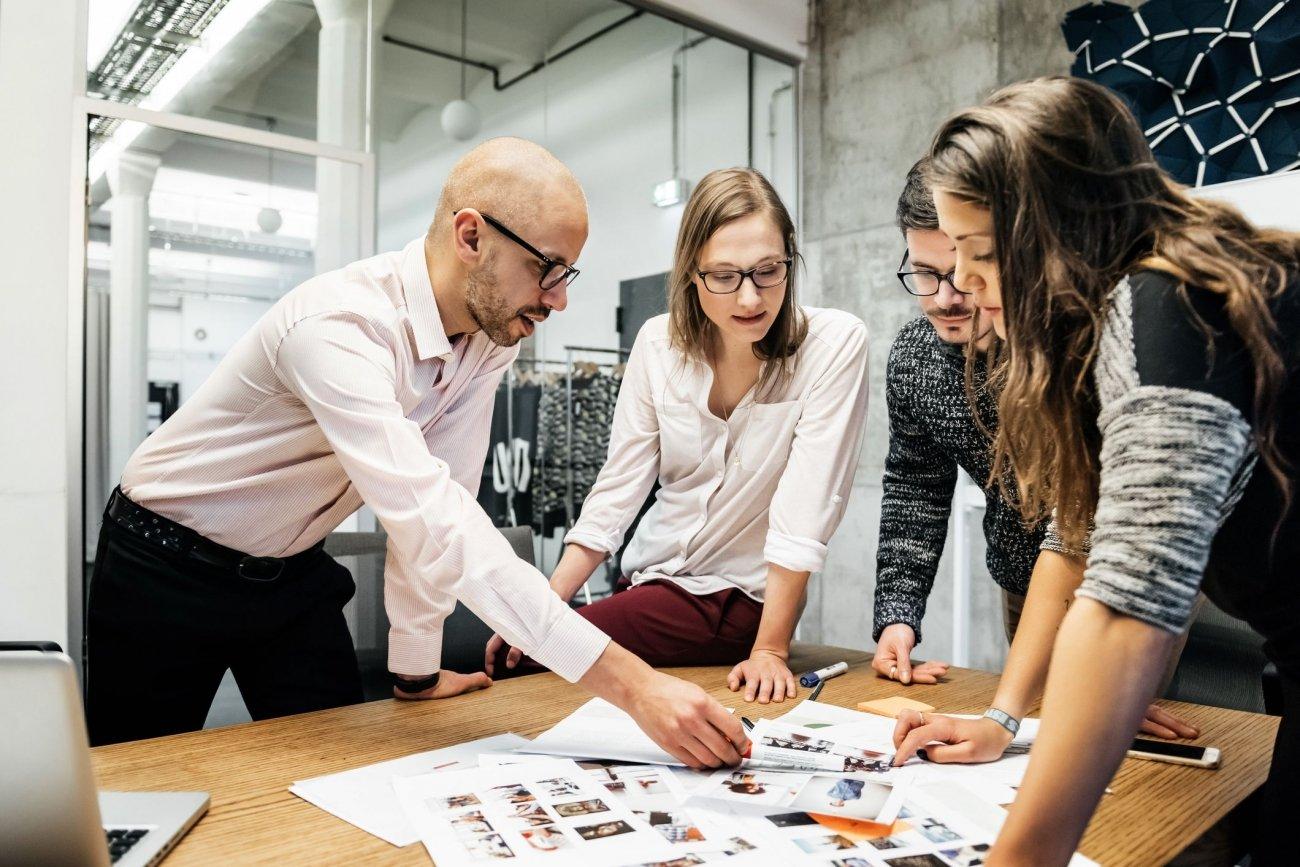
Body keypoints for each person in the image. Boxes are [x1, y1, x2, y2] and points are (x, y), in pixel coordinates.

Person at [86, 137, 749, 771]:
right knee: (135, 784)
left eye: (567, 273)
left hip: (289, 575)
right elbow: (436, 524)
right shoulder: (339, 326)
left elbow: (445, 499)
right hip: (164, 561)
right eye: (546, 269)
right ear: (471, 236)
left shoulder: (489, 339)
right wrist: (637, 687)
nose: (559, 298)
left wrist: (416, 669)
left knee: (337, 776)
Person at [891, 77, 1300, 866]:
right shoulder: (1115, 321)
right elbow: (1078, 538)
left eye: (982, 252)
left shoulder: (1170, 309)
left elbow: (1125, 609)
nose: (964, 283)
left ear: (1060, 229)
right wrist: (1003, 718)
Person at [484, 167, 869, 705]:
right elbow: (618, 488)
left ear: (789, 259)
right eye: (724, 276)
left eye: (768, 271)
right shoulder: (657, 344)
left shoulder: (832, 344)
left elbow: (805, 511)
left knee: (532, 657)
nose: (750, 298)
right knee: (531, 646)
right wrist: (544, 607)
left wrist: (770, 650)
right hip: (649, 586)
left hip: (735, 599)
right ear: (692, 272)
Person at [875, 160, 1198, 742]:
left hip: (1129, 574)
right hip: (1025, 576)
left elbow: (1079, 525)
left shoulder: (1074, 343)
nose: (948, 297)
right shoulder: (915, 358)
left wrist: (1014, 711)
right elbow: (914, 484)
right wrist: (899, 612)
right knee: (1039, 733)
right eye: (925, 273)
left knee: (1109, 736)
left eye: (966, 269)